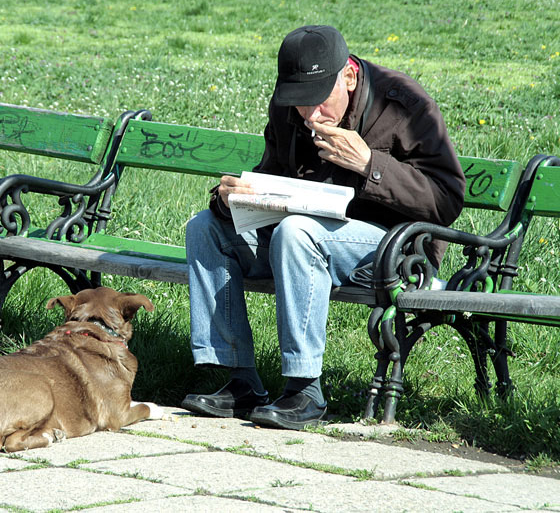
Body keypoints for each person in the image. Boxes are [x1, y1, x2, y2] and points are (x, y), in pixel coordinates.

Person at [181, 25, 466, 430]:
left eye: (318, 102)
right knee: (205, 228)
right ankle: (240, 381)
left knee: (296, 231)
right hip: (298, 237)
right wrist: (234, 198)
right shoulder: (291, 107)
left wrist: (371, 165)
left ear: (348, 76)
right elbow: (275, 176)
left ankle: (304, 390)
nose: (310, 115)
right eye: (299, 105)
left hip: (391, 250)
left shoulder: (406, 106)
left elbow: (447, 199)